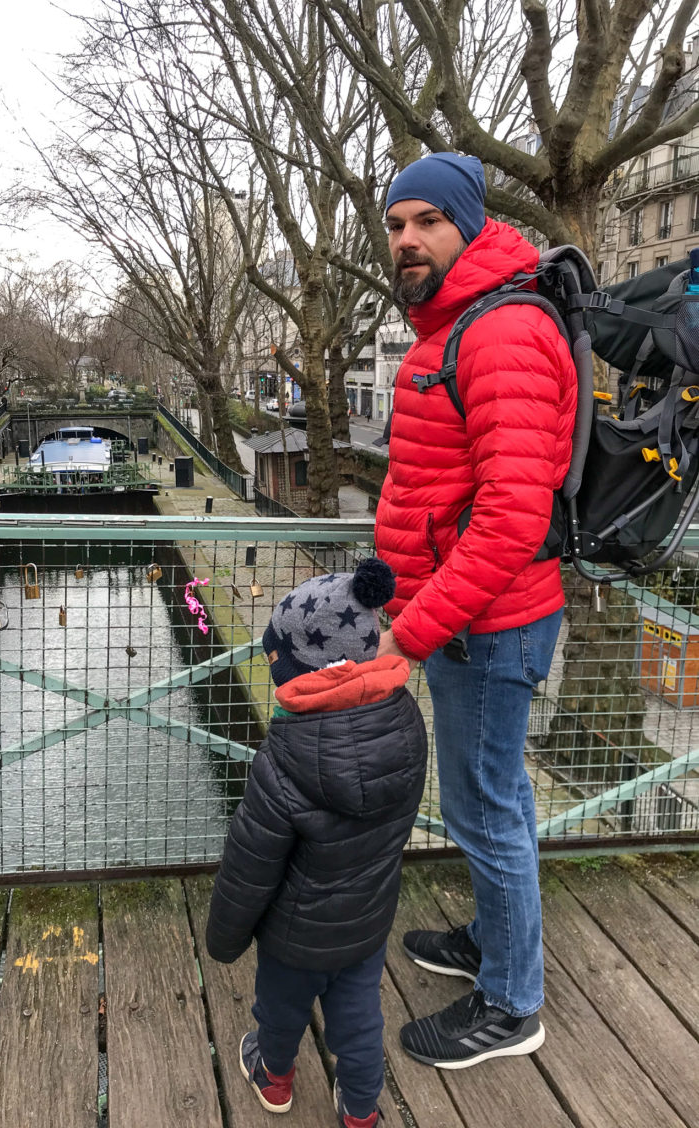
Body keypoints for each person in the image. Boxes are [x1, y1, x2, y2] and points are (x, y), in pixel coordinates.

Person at [373, 152, 577, 1069]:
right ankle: (495, 946)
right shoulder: (457, 321)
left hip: (487, 627)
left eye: (426, 221)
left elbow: (509, 521)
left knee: (487, 810)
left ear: (468, 226)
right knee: (483, 803)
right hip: (467, 619)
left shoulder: (496, 333)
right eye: (394, 224)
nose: (407, 239)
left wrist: (410, 631)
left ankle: (512, 1002)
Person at [206, 558, 427, 1127]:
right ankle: (359, 1111)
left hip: (294, 938)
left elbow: (248, 866)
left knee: (279, 1012)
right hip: (368, 922)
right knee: (358, 1018)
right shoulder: (407, 727)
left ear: (305, 669)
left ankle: (274, 1077)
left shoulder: (282, 759)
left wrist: (224, 941)